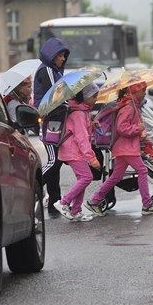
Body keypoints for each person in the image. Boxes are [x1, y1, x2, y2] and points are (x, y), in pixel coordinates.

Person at [85, 81, 153, 216]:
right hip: (127, 148)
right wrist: (137, 129)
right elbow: (121, 128)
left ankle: (94, 201)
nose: (145, 93)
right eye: (142, 90)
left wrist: (141, 134)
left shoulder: (133, 106)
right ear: (133, 91)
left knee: (115, 177)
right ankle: (147, 204)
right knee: (142, 170)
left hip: (125, 148)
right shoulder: (129, 107)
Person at [53, 83, 101, 222]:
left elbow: (82, 132)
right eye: (94, 96)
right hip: (73, 151)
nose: (96, 99)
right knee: (86, 177)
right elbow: (81, 138)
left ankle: (76, 210)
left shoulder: (83, 112)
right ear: (84, 97)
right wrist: (91, 158)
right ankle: (63, 202)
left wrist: (91, 125)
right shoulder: (79, 114)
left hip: (75, 151)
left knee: (83, 179)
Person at [33, 38, 70, 213]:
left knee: (57, 161)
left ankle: (54, 200)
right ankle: (32, 187)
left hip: (56, 118)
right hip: (51, 119)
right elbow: (54, 94)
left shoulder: (54, 70)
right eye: (60, 55)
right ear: (52, 55)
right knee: (54, 160)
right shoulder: (47, 70)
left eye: (64, 56)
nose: (63, 59)